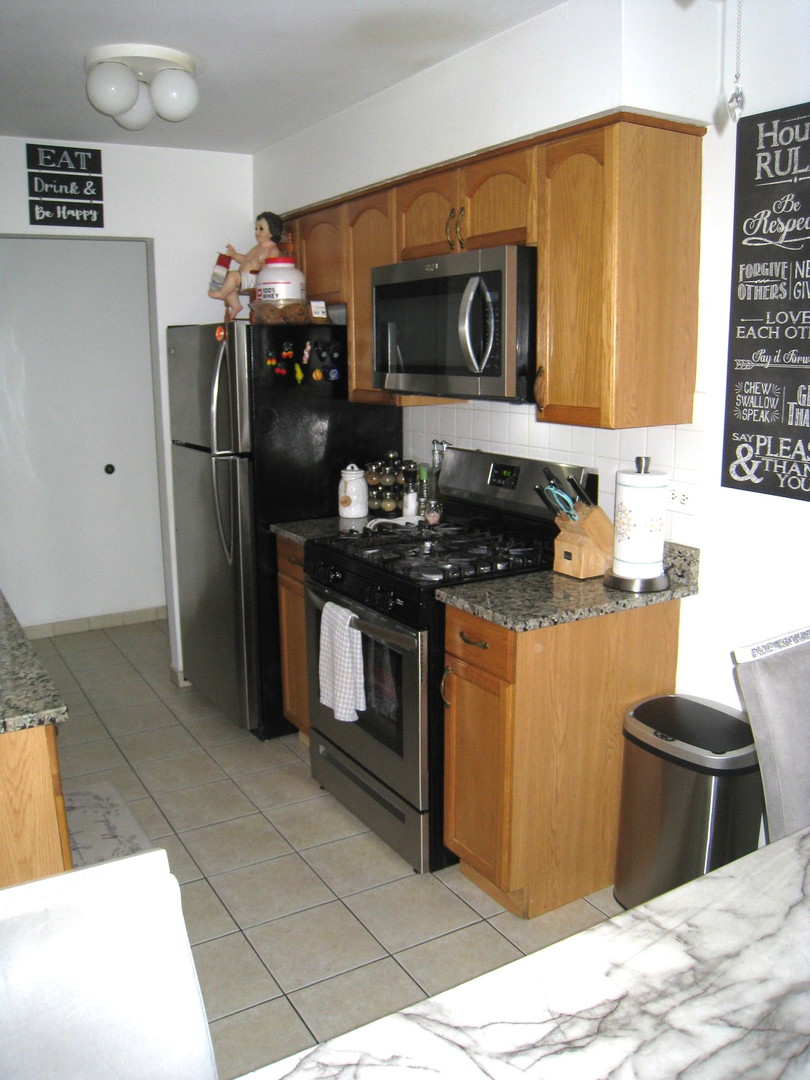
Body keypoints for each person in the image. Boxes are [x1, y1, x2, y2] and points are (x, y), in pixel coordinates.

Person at [208, 211, 283, 318]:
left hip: (255, 279)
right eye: (256, 229)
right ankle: (236, 305)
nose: (257, 232)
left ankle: (222, 293)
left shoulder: (272, 249)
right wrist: (234, 255)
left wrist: (263, 265)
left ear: (272, 232)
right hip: (244, 277)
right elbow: (244, 259)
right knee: (228, 277)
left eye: (261, 229)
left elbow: (271, 267)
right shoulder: (256, 247)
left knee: (233, 276)